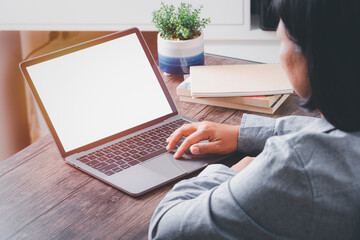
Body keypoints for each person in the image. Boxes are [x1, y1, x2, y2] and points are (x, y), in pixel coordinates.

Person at [148, 0, 360, 239]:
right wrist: (241, 134)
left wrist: (231, 174)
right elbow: (335, 132)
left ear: (313, 56)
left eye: (282, 41)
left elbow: (165, 228)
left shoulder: (295, 167)